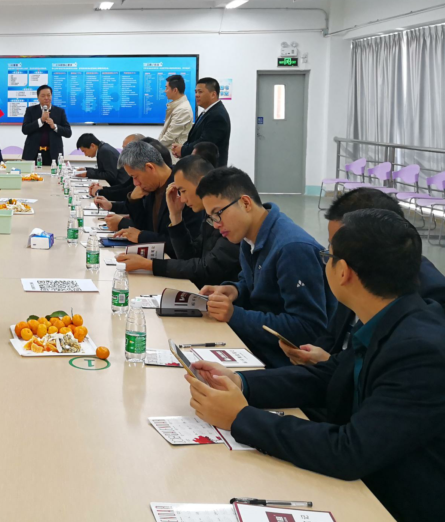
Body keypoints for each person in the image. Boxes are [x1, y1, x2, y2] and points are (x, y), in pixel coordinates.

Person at [186, 210, 445, 522]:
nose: (325, 264)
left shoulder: (418, 350)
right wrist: (242, 383)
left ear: (343, 272)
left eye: (328, 256)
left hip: (392, 503)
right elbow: (329, 375)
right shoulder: (390, 317)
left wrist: (240, 417)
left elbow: (350, 451)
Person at [282, 188, 445, 367]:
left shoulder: (428, 301)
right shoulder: (356, 276)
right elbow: (332, 337)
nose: (332, 256)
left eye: (335, 248)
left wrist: (331, 364)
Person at [196, 167, 333, 368]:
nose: (216, 224)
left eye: (218, 214)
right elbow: (253, 284)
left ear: (245, 203)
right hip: (259, 347)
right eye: (211, 218)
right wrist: (235, 290)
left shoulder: (292, 248)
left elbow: (308, 329)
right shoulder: (248, 237)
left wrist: (235, 315)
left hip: (285, 363)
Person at [116, 155, 240, 289]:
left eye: (183, 191)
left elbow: (206, 268)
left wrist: (148, 265)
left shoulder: (231, 217)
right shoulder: (210, 214)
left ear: (202, 183)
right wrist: (176, 216)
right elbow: (189, 256)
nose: (183, 199)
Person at [110, 140, 199, 256]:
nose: (135, 183)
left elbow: (185, 243)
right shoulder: (151, 187)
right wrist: (134, 200)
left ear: (150, 167)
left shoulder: (182, 188)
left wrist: (142, 237)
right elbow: (144, 227)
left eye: (135, 176)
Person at [174, 77, 230, 166]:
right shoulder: (208, 111)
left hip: (210, 169)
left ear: (213, 94)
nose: (196, 95)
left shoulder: (217, 115)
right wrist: (182, 147)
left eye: (200, 92)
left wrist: (183, 150)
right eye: (196, 92)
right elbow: (194, 138)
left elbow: (205, 144)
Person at [21, 85, 71, 165]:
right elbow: (25, 129)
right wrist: (41, 121)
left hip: (53, 154)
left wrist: (54, 126)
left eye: (48, 95)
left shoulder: (59, 111)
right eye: (43, 96)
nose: (46, 98)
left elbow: (68, 132)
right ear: (38, 97)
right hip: (32, 153)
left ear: (51, 96)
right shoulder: (30, 110)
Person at [158, 74, 194, 162]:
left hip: (174, 158)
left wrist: (154, 147)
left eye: (167, 88)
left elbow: (170, 136)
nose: (165, 91)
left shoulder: (183, 109)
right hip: (171, 155)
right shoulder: (178, 106)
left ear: (175, 90)